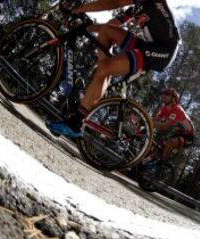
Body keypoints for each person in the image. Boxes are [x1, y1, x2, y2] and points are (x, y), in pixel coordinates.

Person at [47, 0, 181, 138]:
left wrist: (77, 9)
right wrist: (84, 27)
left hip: (164, 51)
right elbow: (112, 24)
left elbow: (112, 3)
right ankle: (98, 87)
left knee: (105, 68)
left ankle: (75, 123)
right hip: (148, 45)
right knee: (107, 31)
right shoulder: (135, 8)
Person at [149, 87, 195, 165]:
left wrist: (150, 123)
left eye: (167, 94)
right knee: (157, 148)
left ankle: (162, 164)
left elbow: (165, 126)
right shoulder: (164, 108)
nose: (163, 96)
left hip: (188, 136)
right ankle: (145, 163)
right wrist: (144, 119)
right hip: (176, 133)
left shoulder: (177, 109)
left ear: (173, 99)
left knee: (171, 142)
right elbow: (154, 119)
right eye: (163, 94)